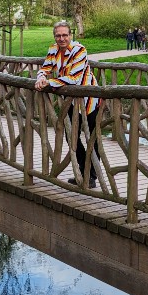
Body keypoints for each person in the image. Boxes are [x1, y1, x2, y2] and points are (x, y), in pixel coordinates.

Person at [35, 20, 100, 188]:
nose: (61, 38)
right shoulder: (53, 50)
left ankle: (92, 176)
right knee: (71, 135)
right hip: (71, 99)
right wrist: (41, 77)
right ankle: (82, 172)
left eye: (65, 35)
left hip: (89, 98)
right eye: (58, 35)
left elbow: (74, 78)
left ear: (70, 36)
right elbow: (45, 68)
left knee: (92, 137)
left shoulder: (79, 50)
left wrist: (49, 83)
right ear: (54, 37)